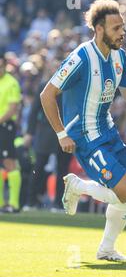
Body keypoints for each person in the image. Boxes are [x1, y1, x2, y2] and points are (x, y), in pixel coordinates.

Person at [40, 0, 126, 261]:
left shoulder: (120, 57)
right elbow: (47, 94)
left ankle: (106, 249)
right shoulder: (82, 56)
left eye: (123, 27)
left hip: (109, 131)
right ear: (99, 29)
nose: (122, 33)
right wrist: (61, 133)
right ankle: (79, 186)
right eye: (116, 28)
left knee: (124, 196)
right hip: (84, 136)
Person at [23, 82, 72, 211]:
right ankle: (31, 201)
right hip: (46, 132)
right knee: (38, 166)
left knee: (63, 170)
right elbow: (34, 110)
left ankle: (58, 204)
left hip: (67, 133)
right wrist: (29, 132)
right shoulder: (45, 85)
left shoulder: (71, 85)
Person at [0, 54, 22, 213]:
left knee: (9, 163)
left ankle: (14, 204)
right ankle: (1, 203)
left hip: (6, 126)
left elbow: (12, 109)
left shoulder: (12, 83)